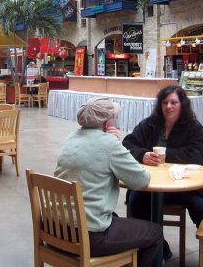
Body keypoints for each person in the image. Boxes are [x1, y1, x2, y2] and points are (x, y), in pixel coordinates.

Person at [122, 85, 203, 267]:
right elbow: (128, 144)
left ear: (182, 105)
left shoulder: (193, 127)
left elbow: (196, 155)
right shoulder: (150, 124)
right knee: (136, 201)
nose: (169, 106)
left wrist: (166, 156)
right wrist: (143, 155)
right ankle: (159, 249)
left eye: (173, 102)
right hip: (152, 185)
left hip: (186, 186)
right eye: (165, 102)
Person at [55, 96, 162, 266]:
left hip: (57, 229)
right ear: (106, 123)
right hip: (89, 236)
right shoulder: (109, 143)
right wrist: (115, 143)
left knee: (116, 218)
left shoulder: (71, 137)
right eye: (114, 118)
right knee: (155, 233)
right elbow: (140, 180)